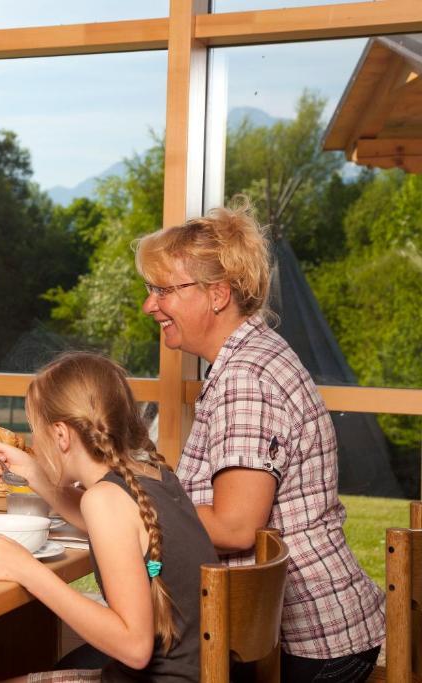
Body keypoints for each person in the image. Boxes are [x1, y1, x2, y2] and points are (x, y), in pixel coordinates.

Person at [133, 200, 384, 681]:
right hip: (307, 635)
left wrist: (132, 516)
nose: (150, 305)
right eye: (151, 289)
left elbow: (232, 527)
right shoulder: (249, 356)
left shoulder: (246, 377)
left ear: (218, 294)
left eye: (164, 289)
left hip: (312, 649)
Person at [0, 352, 217, 682]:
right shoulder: (154, 476)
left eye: (36, 430)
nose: (35, 441)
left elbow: (135, 647)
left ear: (61, 435)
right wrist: (33, 472)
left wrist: (27, 570)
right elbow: (108, 523)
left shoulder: (105, 501)